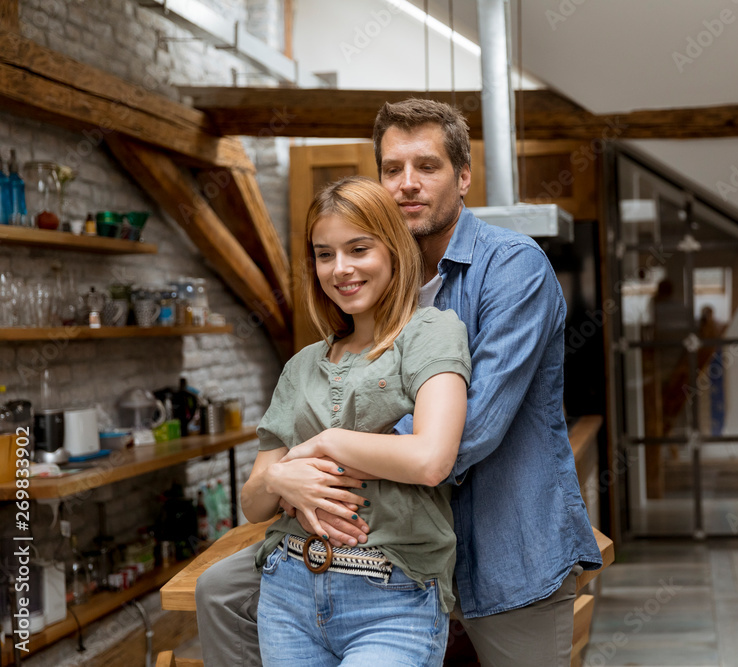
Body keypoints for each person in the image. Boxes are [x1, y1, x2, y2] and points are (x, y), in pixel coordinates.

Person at [196, 98, 602, 666]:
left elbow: (469, 432)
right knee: (222, 593)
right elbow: (323, 395)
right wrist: (289, 475)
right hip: (372, 534)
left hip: (502, 539)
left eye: (428, 167)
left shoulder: (513, 268)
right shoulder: (374, 273)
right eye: (392, 169)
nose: (407, 184)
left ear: (463, 177)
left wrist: (312, 460)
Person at [240, 175, 471, 665]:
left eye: (358, 249)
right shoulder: (301, 365)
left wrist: (322, 445)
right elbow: (255, 502)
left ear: (392, 249)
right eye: (325, 254)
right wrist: (282, 475)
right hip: (288, 588)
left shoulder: (430, 333)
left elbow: (431, 459)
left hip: (392, 595)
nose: (340, 269)